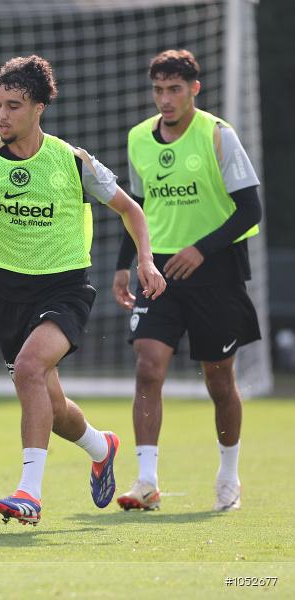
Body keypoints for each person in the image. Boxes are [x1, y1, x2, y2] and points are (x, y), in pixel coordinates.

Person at [0, 55, 166, 525]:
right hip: (2, 293)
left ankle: (29, 493)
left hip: (64, 288)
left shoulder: (71, 161)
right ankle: (102, 446)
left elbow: (131, 209)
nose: (2, 115)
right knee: (52, 405)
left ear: (39, 108)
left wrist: (144, 259)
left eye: (14, 105)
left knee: (29, 368)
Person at [113, 50, 262, 512]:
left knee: (219, 381)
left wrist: (201, 250)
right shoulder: (139, 138)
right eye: (158, 90)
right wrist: (125, 263)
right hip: (158, 270)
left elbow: (251, 209)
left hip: (215, 270)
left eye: (175, 89)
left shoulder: (218, 135)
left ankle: (228, 475)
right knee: (147, 367)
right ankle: (146, 481)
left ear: (194, 89)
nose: (165, 99)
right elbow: (135, 207)